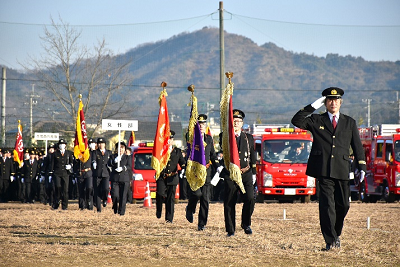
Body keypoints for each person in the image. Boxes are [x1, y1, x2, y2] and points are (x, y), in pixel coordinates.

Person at [291, 87, 366, 251]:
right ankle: (330, 241)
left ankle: (336, 233)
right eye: (329, 100)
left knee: (343, 205)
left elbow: (357, 146)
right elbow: (296, 120)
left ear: (341, 102)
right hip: (323, 170)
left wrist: (362, 166)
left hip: (342, 169)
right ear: (325, 103)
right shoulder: (317, 120)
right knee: (327, 206)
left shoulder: (349, 122)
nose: (333, 103)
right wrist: (313, 105)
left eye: (336, 100)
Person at [220, 109, 257, 236]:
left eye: (239, 121)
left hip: (245, 172)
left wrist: (254, 172)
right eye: (234, 121)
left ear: (242, 123)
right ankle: (230, 230)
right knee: (229, 202)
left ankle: (246, 223)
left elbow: (253, 155)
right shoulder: (225, 137)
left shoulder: (249, 138)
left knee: (250, 198)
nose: (236, 123)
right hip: (231, 173)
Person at [185, 114, 222, 231]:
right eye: (199, 124)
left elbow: (212, 154)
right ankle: (190, 209)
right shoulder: (191, 137)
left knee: (205, 199)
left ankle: (202, 224)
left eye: (203, 124)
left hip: (206, 171)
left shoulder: (209, 139)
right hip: (195, 171)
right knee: (197, 194)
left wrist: (218, 166)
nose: (201, 126)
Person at [156, 130, 186, 223]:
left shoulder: (177, 151)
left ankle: (169, 218)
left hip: (172, 177)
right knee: (160, 194)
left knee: (170, 199)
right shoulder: (160, 150)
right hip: (162, 176)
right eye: (167, 139)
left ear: (173, 140)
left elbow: (182, 162)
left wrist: (184, 169)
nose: (169, 141)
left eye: (170, 139)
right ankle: (159, 209)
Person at [108, 141, 132, 216]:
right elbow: (109, 164)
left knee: (123, 196)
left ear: (125, 149)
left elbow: (129, 166)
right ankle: (115, 205)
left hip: (124, 178)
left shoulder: (127, 157)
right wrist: (114, 161)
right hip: (115, 178)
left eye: (122, 148)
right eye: (119, 148)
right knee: (115, 195)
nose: (120, 149)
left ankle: (121, 212)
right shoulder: (113, 156)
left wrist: (123, 168)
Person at [49, 139, 74, 210]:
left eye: (63, 144)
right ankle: (56, 202)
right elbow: (52, 164)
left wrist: (70, 166)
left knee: (65, 190)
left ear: (65, 145)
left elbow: (72, 162)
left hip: (65, 174)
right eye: (60, 144)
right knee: (57, 187)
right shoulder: (55, 154)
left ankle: (64, 205)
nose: (61, 145)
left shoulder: (69, 153)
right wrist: (50, 173)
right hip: (57, 173)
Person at [93, 137, 112, 213]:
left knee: (106, 188)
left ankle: (104, 199)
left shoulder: (109, 152)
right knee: (97, 191)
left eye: (102, 143)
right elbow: (93, 159)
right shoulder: (95, 152)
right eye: (99, 143)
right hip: (97, 174)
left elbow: (111, 161)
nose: (101, 145)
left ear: (105, 144)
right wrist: (94, 163)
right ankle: (98, 209)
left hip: (106, 174)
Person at [76, 138, 96, 210]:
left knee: (89, 188)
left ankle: (89, 203)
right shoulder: (79, 153)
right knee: (81, 189)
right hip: (81, 172)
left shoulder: (92, 153)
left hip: (88, 172)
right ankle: (82, 205)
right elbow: (76, 162)